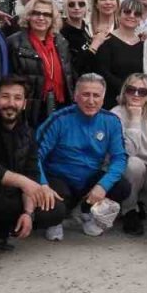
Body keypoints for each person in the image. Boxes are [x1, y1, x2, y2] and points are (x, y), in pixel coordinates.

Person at [0, 76, 67, 276]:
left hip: (9, 195)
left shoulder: (26, 130)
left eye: (17, 98)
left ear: (24, 103)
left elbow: (31, 172)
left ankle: (1, 232)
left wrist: (28, 213)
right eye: (5, 97)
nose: (11, 103)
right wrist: (22, 182)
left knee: (54, 207)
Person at [34, 74, 131, 238]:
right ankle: (56, 220)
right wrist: (42, 185)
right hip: (59, 179)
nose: (91, 101)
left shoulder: (112, 121)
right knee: (50, 212)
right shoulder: (58, 119)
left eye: (96, 95)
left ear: (103, 99)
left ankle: (87, 213)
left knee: (122, 187)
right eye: (86, 94)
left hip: (88, 180)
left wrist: (103, 186)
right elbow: (34, 156)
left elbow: (120, 158)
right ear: (76, 96)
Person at [7, 0, 75, 127]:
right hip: (30, 109)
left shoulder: (61, 41)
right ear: (28, 16)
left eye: (47, 14)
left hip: (59, 104)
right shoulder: (14, 42)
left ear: (53, 18)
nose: (41, 18)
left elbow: (69, 76)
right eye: (36, 13)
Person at [112, 73, 147, 236]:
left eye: (142, 92)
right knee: (134, 164)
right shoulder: (115, 114)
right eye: (131, 90)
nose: (136, 95)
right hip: (124, 170)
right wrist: (135, 119)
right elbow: (128, 152)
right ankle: (129, 210)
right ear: (124, 92)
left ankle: (146, 204)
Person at [94, 0, 147, 110]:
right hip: (111, 100)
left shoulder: (143, 44)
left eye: (137, 14)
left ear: (141, 19)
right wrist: (125, 89)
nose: (132, 16)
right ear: (119, 14)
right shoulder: (106, 40)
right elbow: (103, 72)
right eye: (127, 12)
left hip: (136, 101)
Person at [61, 0, 95, 74]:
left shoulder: (87, 27)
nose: (77, 8)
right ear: (65, 7)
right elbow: (73, 66)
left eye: (81, 4)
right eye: (71, 4)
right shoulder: (61, 33)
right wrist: (94, 46)